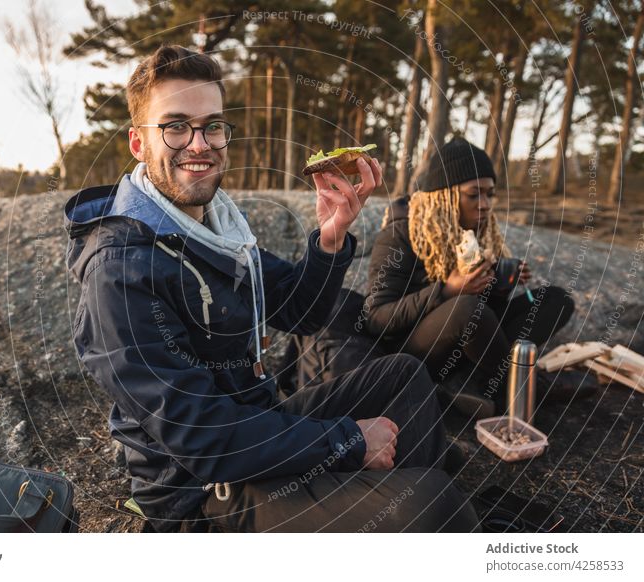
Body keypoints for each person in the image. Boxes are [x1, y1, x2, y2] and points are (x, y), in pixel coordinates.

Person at [64, 45, 479, 532]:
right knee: (430, 502)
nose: (199, 143)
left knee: (403, 378)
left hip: (255, 424)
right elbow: (203, 439)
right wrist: (347, 440)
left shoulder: (214, 231)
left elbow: (297, 313)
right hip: (200, 490)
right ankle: (415, 514)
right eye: (175, 126)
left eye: (212, 125)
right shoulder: (120, 268)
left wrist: (331, 237)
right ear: (139, 144)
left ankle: (396, 525)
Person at [363, 137, 580, 418]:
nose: (485, 204)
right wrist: (446, 291)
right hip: (415, 352)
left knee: (555, 300)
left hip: (467, 345)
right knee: (465, 309)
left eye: (490, 194)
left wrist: (500, 283)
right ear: (444, 196)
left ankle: (475, 384)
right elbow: (375, 318)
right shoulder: (399, 236)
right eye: (474, 194)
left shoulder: (472, 231)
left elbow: (486, 311)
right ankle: (526, 387)